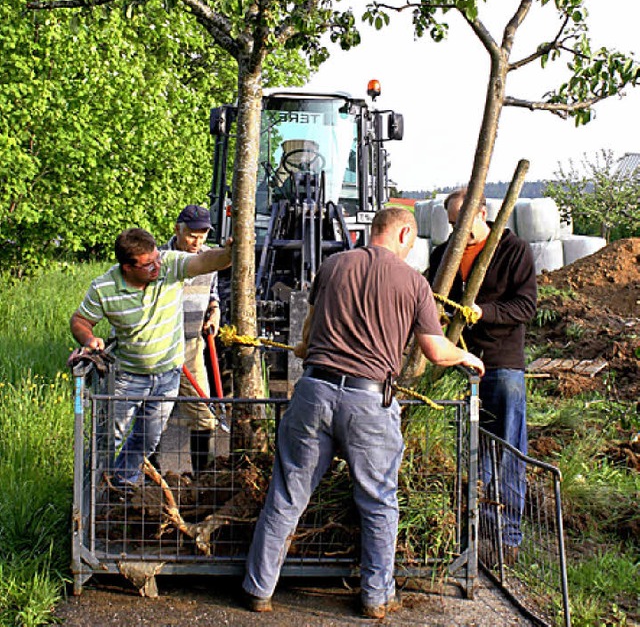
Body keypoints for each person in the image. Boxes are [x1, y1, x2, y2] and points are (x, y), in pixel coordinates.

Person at [242, 206, 484, 618]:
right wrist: (468, 357)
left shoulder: (334, 265)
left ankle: (259, 589)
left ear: (372, 232)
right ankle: (374, 598)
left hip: (314, 391)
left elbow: (308, 330)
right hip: (369, 402)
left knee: (286, 495)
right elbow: (434, 350)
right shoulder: (413, 282)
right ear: (405, 233)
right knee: (378, 502)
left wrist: (311, 349)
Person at [70, 226, 232, 486]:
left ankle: (123, 483)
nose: (157, 266)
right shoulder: (105, 288)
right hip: (128, 376)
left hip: (168, 375)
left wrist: (229, 252)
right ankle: (92, 490)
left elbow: (204, 261)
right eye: (148, 265)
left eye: (157, 258)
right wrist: (89, 339)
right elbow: (80, 320)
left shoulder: (169, 265)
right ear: (127, 267)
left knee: (148, 437)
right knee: (109, 435)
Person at [427, 188, 537, 557]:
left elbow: (525, 306)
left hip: (501, 361)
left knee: (506, 446)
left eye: (463, 224)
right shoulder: (444, 254)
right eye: (452, 225)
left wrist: (483, 312)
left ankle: (506, 536)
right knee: (466, 448)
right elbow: (426, 295)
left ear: (484, 213)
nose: (458, 232)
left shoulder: (512, 249)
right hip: (457, 361)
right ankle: (469, 530)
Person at [161, 204, 221, 474]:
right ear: (177, 229)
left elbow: (213, 292)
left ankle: (201, 479)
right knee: (154, 417)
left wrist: (215, 310)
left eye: (203, 235)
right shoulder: (159, 259)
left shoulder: (211, 258)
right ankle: (153, 481)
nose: (198, 242)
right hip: (160, 348)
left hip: (192, 347)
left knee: (204, 417)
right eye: (192, 236)